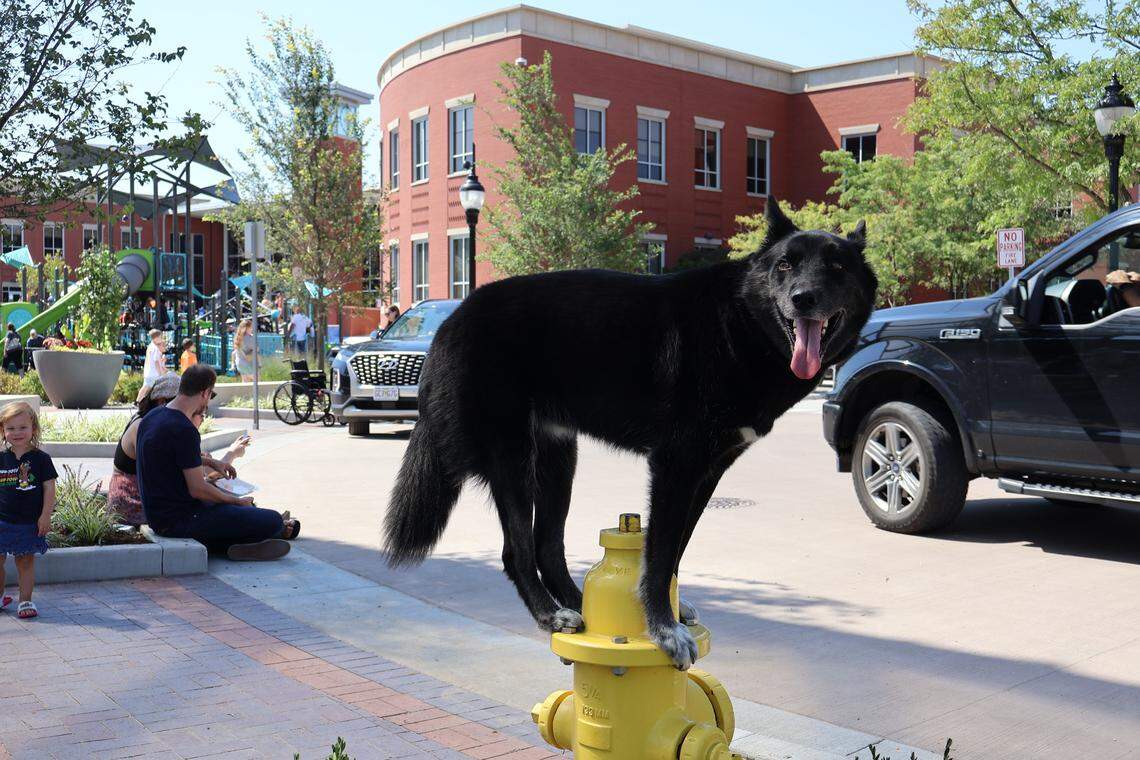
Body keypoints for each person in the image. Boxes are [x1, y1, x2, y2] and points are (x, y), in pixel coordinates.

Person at [136, 365, 298, 560]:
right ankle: (232, 543)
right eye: (210, 393)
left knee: (249, 510)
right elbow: (198, 489)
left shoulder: (153, 417)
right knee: (271, 520)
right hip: (181, 519)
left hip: (157, 516)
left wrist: (210, 463)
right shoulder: (184, 429)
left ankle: (235, 543)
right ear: (204, 392)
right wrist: (235, 501)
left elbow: (168, 458)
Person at [108, 375, 251, 527]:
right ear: (162, 401)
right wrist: (229, 456)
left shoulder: (160, 425)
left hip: (154, 502)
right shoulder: (144, 426)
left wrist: (214, 461)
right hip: (135, 505)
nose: (194, 408)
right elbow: (183, 471)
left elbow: (176, 460)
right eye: (184, 401)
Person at [0, 401, 56, 619]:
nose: (17, 433)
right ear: (3, 431)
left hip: (28, 522)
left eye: (22, 427)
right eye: (10, 428)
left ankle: (25, 600)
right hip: (2, 521)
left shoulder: (41, 459)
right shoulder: (1, 458)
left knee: (25, 561)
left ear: (33, 428)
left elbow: (49, 488)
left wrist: (45, 516)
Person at [138, 328, 169, 402]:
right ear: (156, 338)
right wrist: (160, 372)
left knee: (146, 387)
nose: (161, 339)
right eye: (160, 337)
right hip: (153, 373)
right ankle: (139, 401)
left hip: (149, 372)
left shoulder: (150, 346)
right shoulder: (155, 348)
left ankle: (138, 401)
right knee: (147, 388)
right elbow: (156, 362)